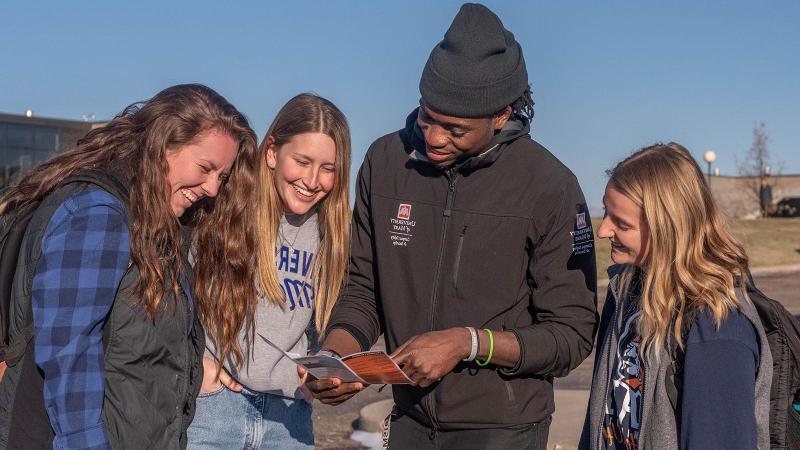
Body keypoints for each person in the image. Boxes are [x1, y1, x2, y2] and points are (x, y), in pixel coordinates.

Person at [305, 3, 598, 448]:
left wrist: (469, 343)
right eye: (427, 117)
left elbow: (571, 335)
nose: (435, 137)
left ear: (502, 115)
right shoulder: (385, 163)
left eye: (456, 129)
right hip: (408, 423)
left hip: (504, 432)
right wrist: (338, 355)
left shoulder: (549, 186)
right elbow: (363, 290)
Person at [0, 84, 260, 449]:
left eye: (223, 176)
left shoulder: (154, 223)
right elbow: (69, 359)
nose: (214, 189)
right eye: (206, 168)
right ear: (163, 145)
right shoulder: (99, 215)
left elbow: (136, 350)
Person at [579, 143, 772, 449]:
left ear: (666, 229)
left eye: (622, 223)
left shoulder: (718, 328)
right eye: (606, 211)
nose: (603, 231)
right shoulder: (627, 291)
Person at [187, 93, 351, 449]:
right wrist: (192, 364)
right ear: (273, 153)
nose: (312, 180)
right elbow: (174, 288)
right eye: (303, 161)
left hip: (289, 418)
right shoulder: (227, 208)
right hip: (215, 407)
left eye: (328, 168)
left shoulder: (334, 235)